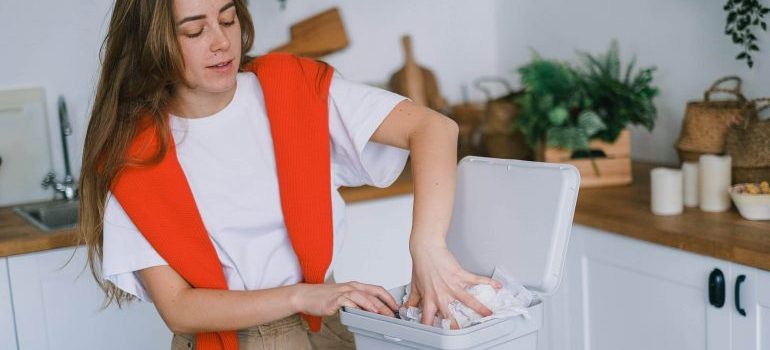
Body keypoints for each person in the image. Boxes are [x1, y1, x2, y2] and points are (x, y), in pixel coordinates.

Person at [79, 0, 501, 349]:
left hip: (328, 328)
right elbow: (179, 308)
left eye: (227, 19)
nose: (222, 41)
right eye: (195, 31)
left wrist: (427, 245)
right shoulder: (134, 158)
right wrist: (303, 296)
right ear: (152, 44)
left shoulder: (291, 87)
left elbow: (433, 127)